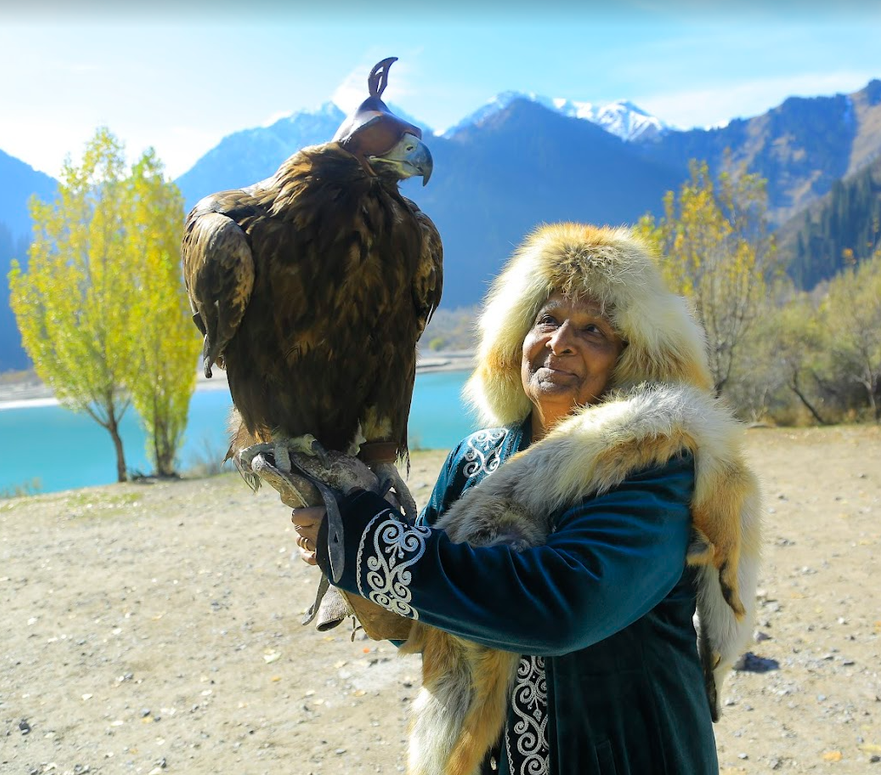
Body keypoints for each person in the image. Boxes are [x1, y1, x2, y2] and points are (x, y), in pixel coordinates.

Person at [277, 222, 762, 775]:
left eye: (595, 330)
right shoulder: (475, 458)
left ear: (632, 359)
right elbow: (422, 621)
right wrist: (343, 546)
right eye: (548, 319)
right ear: (518, 338)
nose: (561, 342)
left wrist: (372, 545)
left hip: (626, 752)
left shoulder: (655, 462)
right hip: (492, 757)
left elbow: (566, 607)